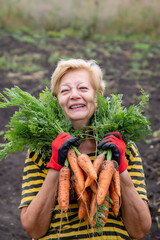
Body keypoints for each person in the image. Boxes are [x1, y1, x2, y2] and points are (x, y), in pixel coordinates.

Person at [19, 59, 151, 240]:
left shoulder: (124, 147)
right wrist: (56, 167)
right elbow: (33, 230)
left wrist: (121, 170)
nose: (74, 95)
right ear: (57, 100)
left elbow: (140, 230)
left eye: (82, 88)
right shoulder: (41, 151)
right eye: (65, 90)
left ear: (98, 95)